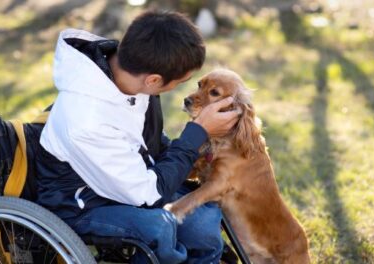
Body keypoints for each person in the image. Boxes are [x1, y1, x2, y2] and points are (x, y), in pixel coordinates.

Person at [36, 10, 240, 263]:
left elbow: (151, 142)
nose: (181, 90)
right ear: (154, 80)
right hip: (82, 203)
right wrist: (198, 132)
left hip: (126, 178)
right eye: (179, 82)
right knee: (159, 227)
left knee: (202, 219)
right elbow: (147, 195)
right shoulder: (87, 120)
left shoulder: (132, 78)